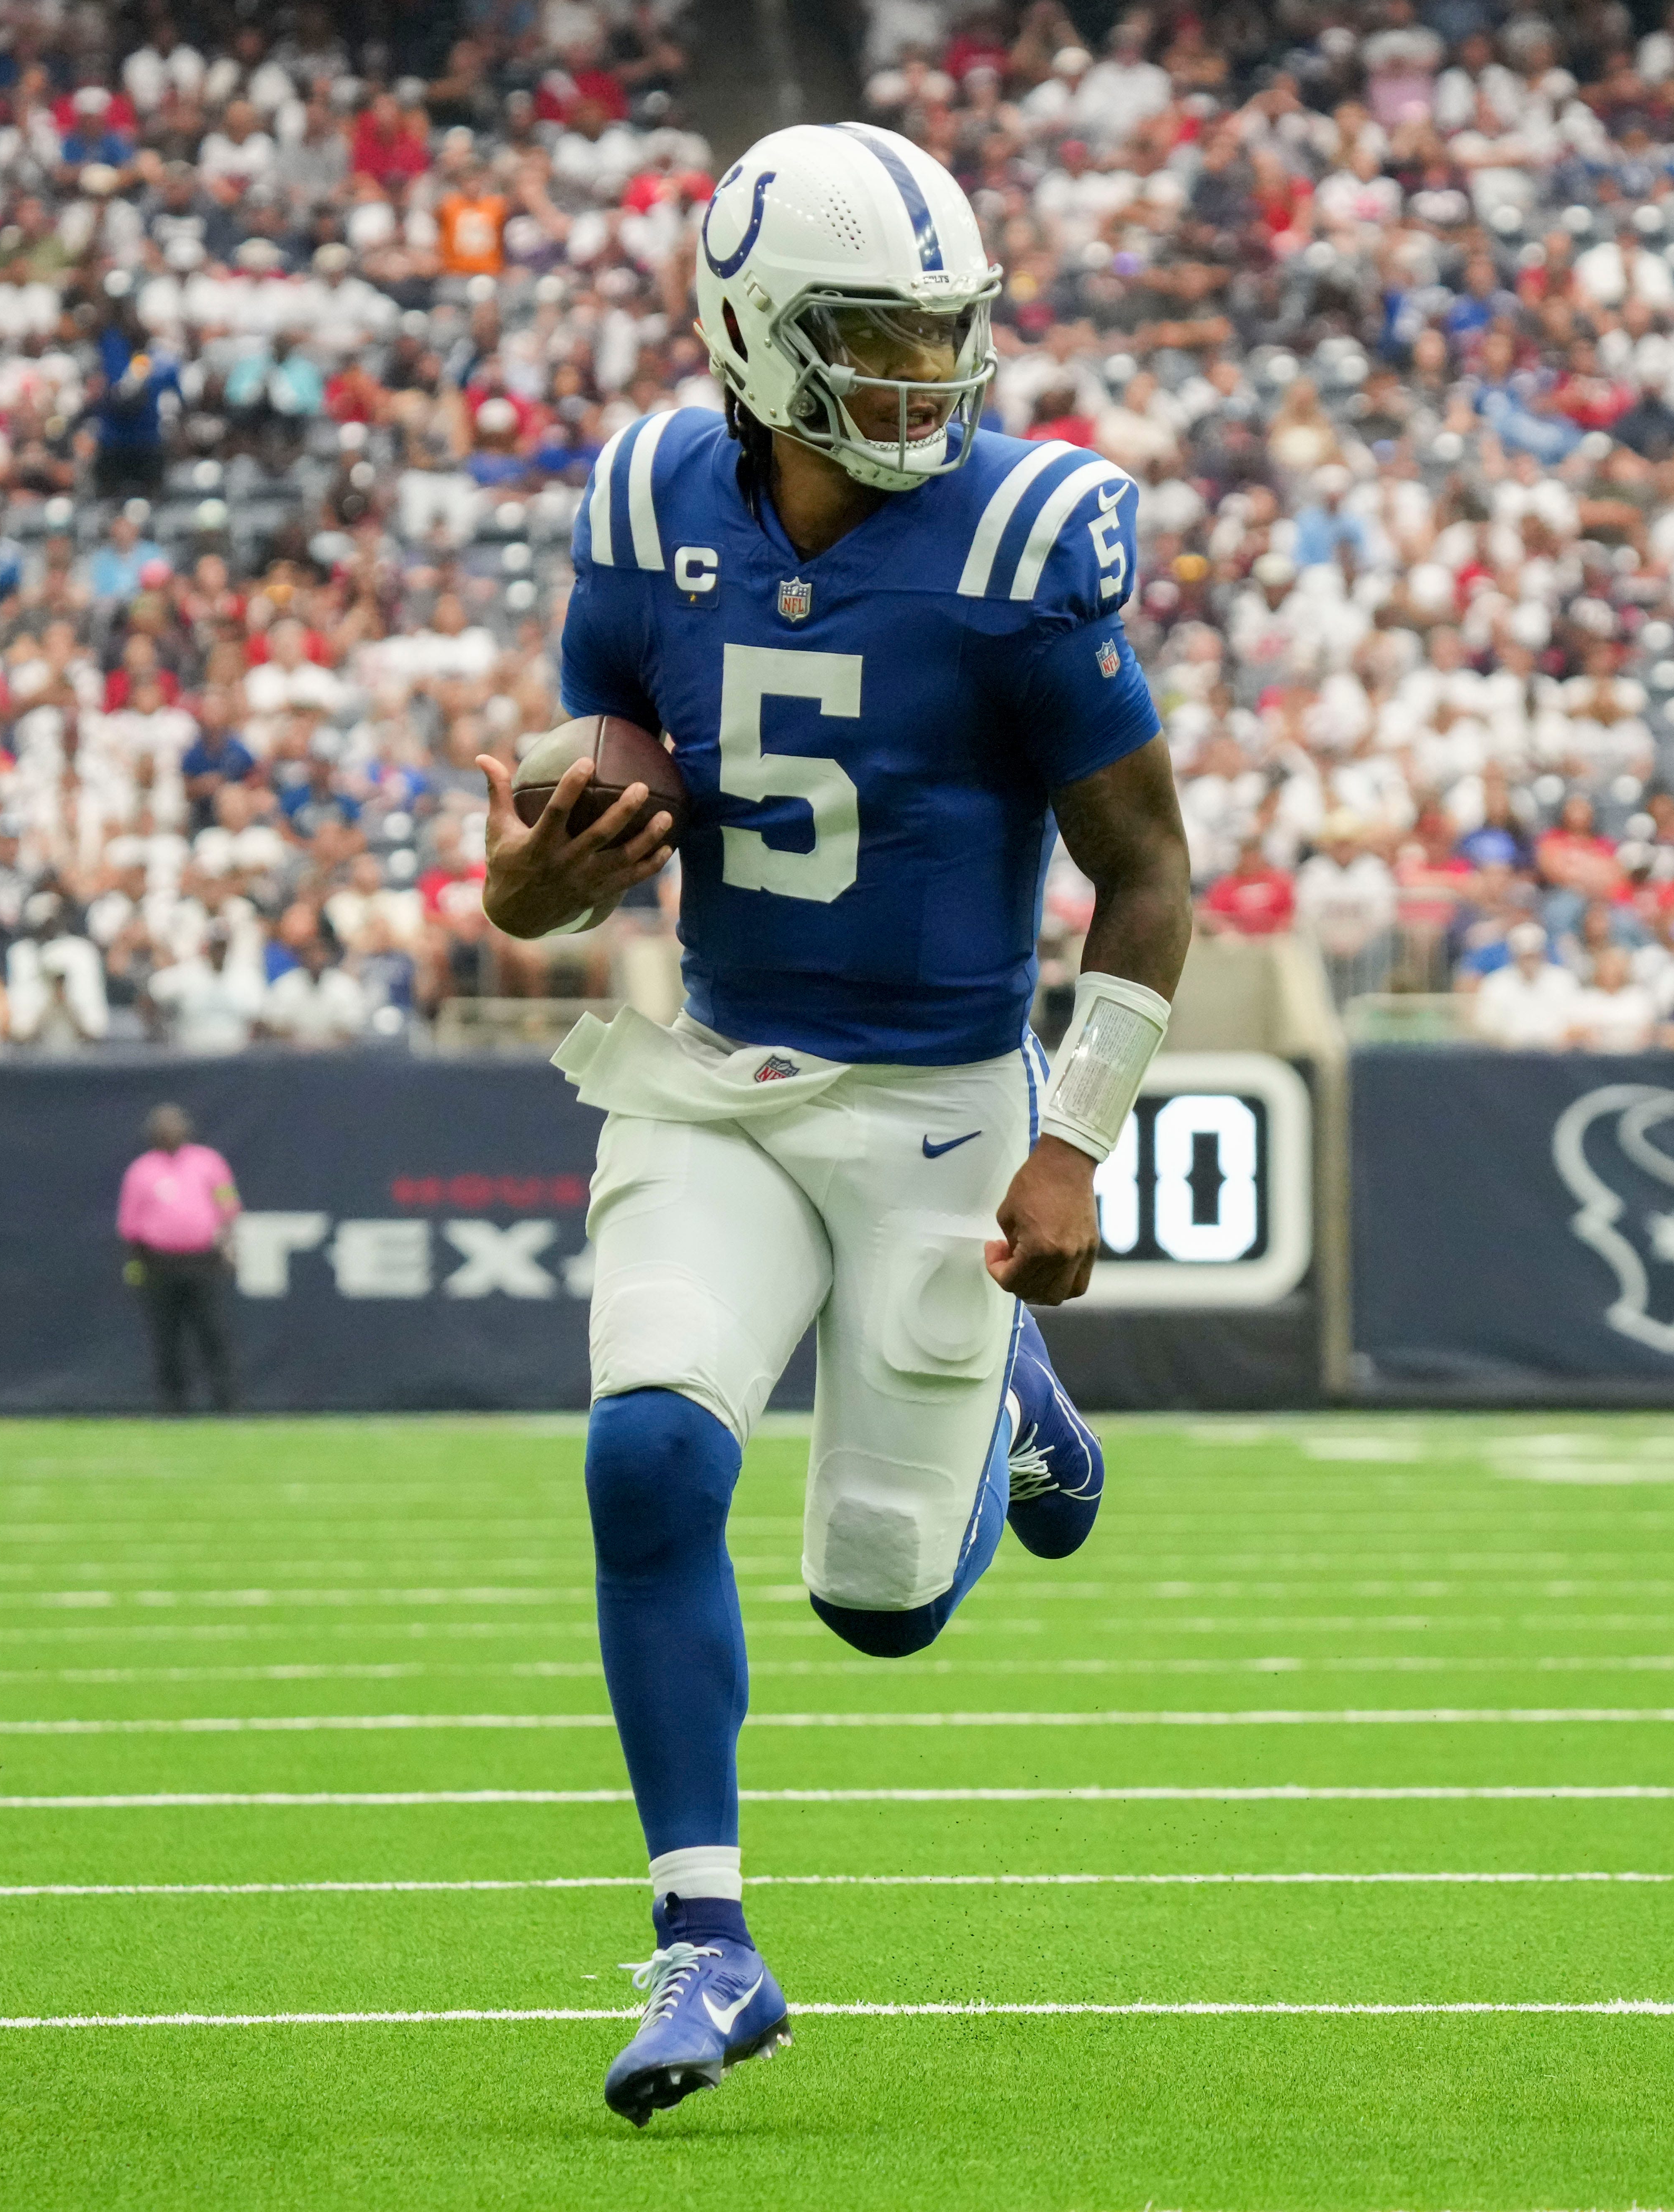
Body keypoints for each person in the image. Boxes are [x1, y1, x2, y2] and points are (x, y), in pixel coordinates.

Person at [480, 122, 1190, 2127]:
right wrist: (538, 881)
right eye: (877, 340)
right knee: (642, 1449)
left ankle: (1019, 1401)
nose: (925, 383)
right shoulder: (638, 507)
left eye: (943, 338)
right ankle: (705, 1932)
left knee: (877, 1606)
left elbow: (1145, 876)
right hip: (720, 1073)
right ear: (753, 338)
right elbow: (545, 871)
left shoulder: (1024, 540)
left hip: (947, 1113)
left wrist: (1074, 1137)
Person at [116, 1104, 241, 1414]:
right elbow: (129, 1224)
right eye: (162, 1126)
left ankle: (227, 1403)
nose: (169, 1130)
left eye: (175, 1125)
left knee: (212, 1333)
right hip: (159, 1262)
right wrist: (135, 1264)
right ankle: (173, 1406)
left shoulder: (208, 1162)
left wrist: (228, 1244)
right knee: (166, 1337)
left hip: (203, 1259)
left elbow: (227, 1204)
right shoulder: (141, 1170)